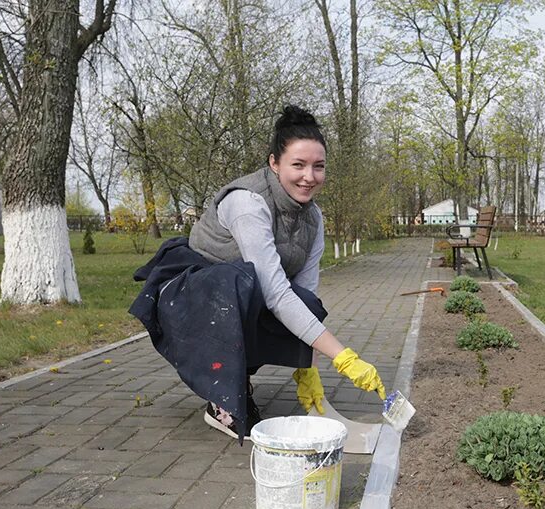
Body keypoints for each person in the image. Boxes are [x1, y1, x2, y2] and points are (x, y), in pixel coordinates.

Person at [129, 105, 386, 443]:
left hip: (240, 293)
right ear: (274, 163)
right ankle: (222, 399)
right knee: (241, 284)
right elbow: (275, 293)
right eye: (298, 165)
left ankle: (239, 378)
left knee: (304, 301)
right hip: (192, 294)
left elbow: (301, 296)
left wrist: (306, 367)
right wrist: (342, 356)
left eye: (318, 166)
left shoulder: (314, 219)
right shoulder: (248, 203)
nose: (309, 176)